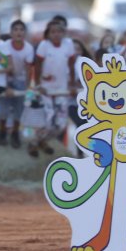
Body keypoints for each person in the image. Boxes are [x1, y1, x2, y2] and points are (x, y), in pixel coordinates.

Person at [33, 20, 76, 157]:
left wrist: (72, 84)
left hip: (62, 89)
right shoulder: (44, 45)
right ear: (48, 33)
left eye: (59, 31)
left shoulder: (68, 45)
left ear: (63, 33)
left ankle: (42, 141)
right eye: (53, 32)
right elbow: (38, 65)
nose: (56, 34)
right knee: (48, 119)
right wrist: (38, 84)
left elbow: (71, 65)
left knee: (61, 124)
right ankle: (34, 143)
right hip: (47, 89)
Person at [0, 20, 34, 148]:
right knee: (3, 109)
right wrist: (6, 86)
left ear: (24, 33)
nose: (18, 32)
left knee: (19, 109)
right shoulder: (4, 45)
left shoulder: (29, 48)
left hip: (20, 80)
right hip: (5, 78)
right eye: (16, 29)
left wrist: (28, 87)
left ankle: (15, 133)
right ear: (11, 32)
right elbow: (2, 66)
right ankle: (2, 131)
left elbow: (29, 69)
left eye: (21, 29)